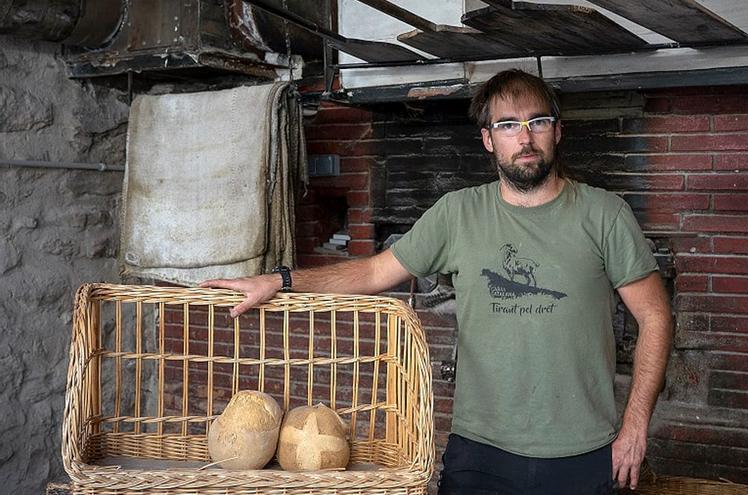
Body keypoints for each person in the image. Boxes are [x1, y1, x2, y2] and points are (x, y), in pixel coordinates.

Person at [201, 69, 673, 494]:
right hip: (481, 452)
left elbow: (654, 316)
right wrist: (282, 281)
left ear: (558, 131)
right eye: (508, 125)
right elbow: (372, 271)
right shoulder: (457, 214)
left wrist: (634, 429)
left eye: (538, 122)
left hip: (584, 451)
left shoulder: (603, 214)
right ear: (489, 140)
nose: (524, 137)